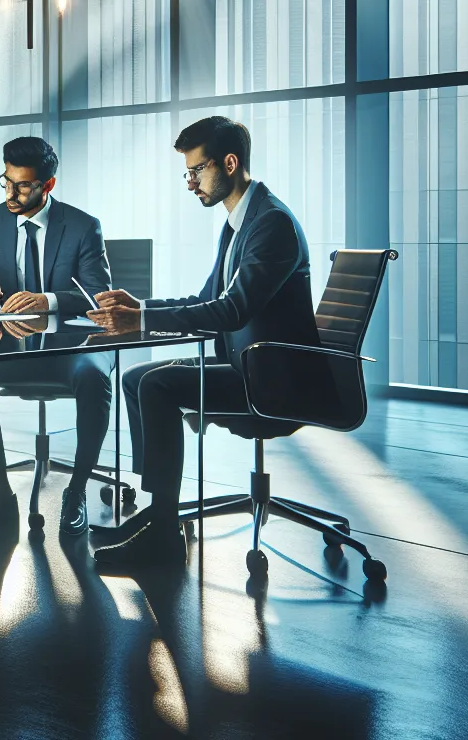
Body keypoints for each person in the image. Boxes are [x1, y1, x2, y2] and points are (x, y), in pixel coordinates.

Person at [89, 116, 323, 573]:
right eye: (188, 173)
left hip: (274, 382)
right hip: (247, 367)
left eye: (196, 171)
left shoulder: (271, 224)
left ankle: (162, 536)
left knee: (156, 386)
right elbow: (207, 301)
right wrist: (143, 306)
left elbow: (232, 311)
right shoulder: (242, 221)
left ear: (230, 163)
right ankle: (159, 516)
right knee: (138, 378)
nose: (190, 182)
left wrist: (141, 321)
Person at [0, 136, 115, 539]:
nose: (11, 192)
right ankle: (1, 496)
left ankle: (75, 491)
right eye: (5, 181)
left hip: (73, 346)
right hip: (13, 343)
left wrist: (48, 300)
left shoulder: (81, 226)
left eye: (22, 185)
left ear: (47, 186)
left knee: (96, 380)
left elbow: (97, 294)